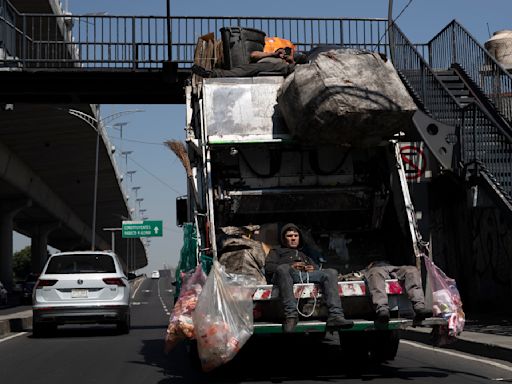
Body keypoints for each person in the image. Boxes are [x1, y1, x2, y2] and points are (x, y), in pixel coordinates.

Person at [265, 223, 354, 333]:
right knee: (283, 268)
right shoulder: (276, 250)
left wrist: (313, 268)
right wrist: (290, 266)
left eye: (295, 236)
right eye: (289, 236)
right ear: (284, 238)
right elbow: (269, 267)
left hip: (303, 275)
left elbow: (317, 267)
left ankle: (336, 315)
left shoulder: (304, 252)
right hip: (286, 275)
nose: (293, 238)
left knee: (331, 272)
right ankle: (291, 316)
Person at [362, 261, 433, 324]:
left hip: (394, 264)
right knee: (375, 274)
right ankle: (382, 311)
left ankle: (419, 308)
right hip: (374, 266)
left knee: (412, 270)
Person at [191, 46, 300, 78]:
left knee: (256, 68)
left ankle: (212, 74)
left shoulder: (286, 62)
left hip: (277, 68)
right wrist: (273, 54)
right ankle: (212, 73)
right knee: (242, 70)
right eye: (281, 52)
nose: (283, 54)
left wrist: (290, 60)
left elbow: (292, 68)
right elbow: (253, 55)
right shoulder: (271, 56)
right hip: (258, 66)